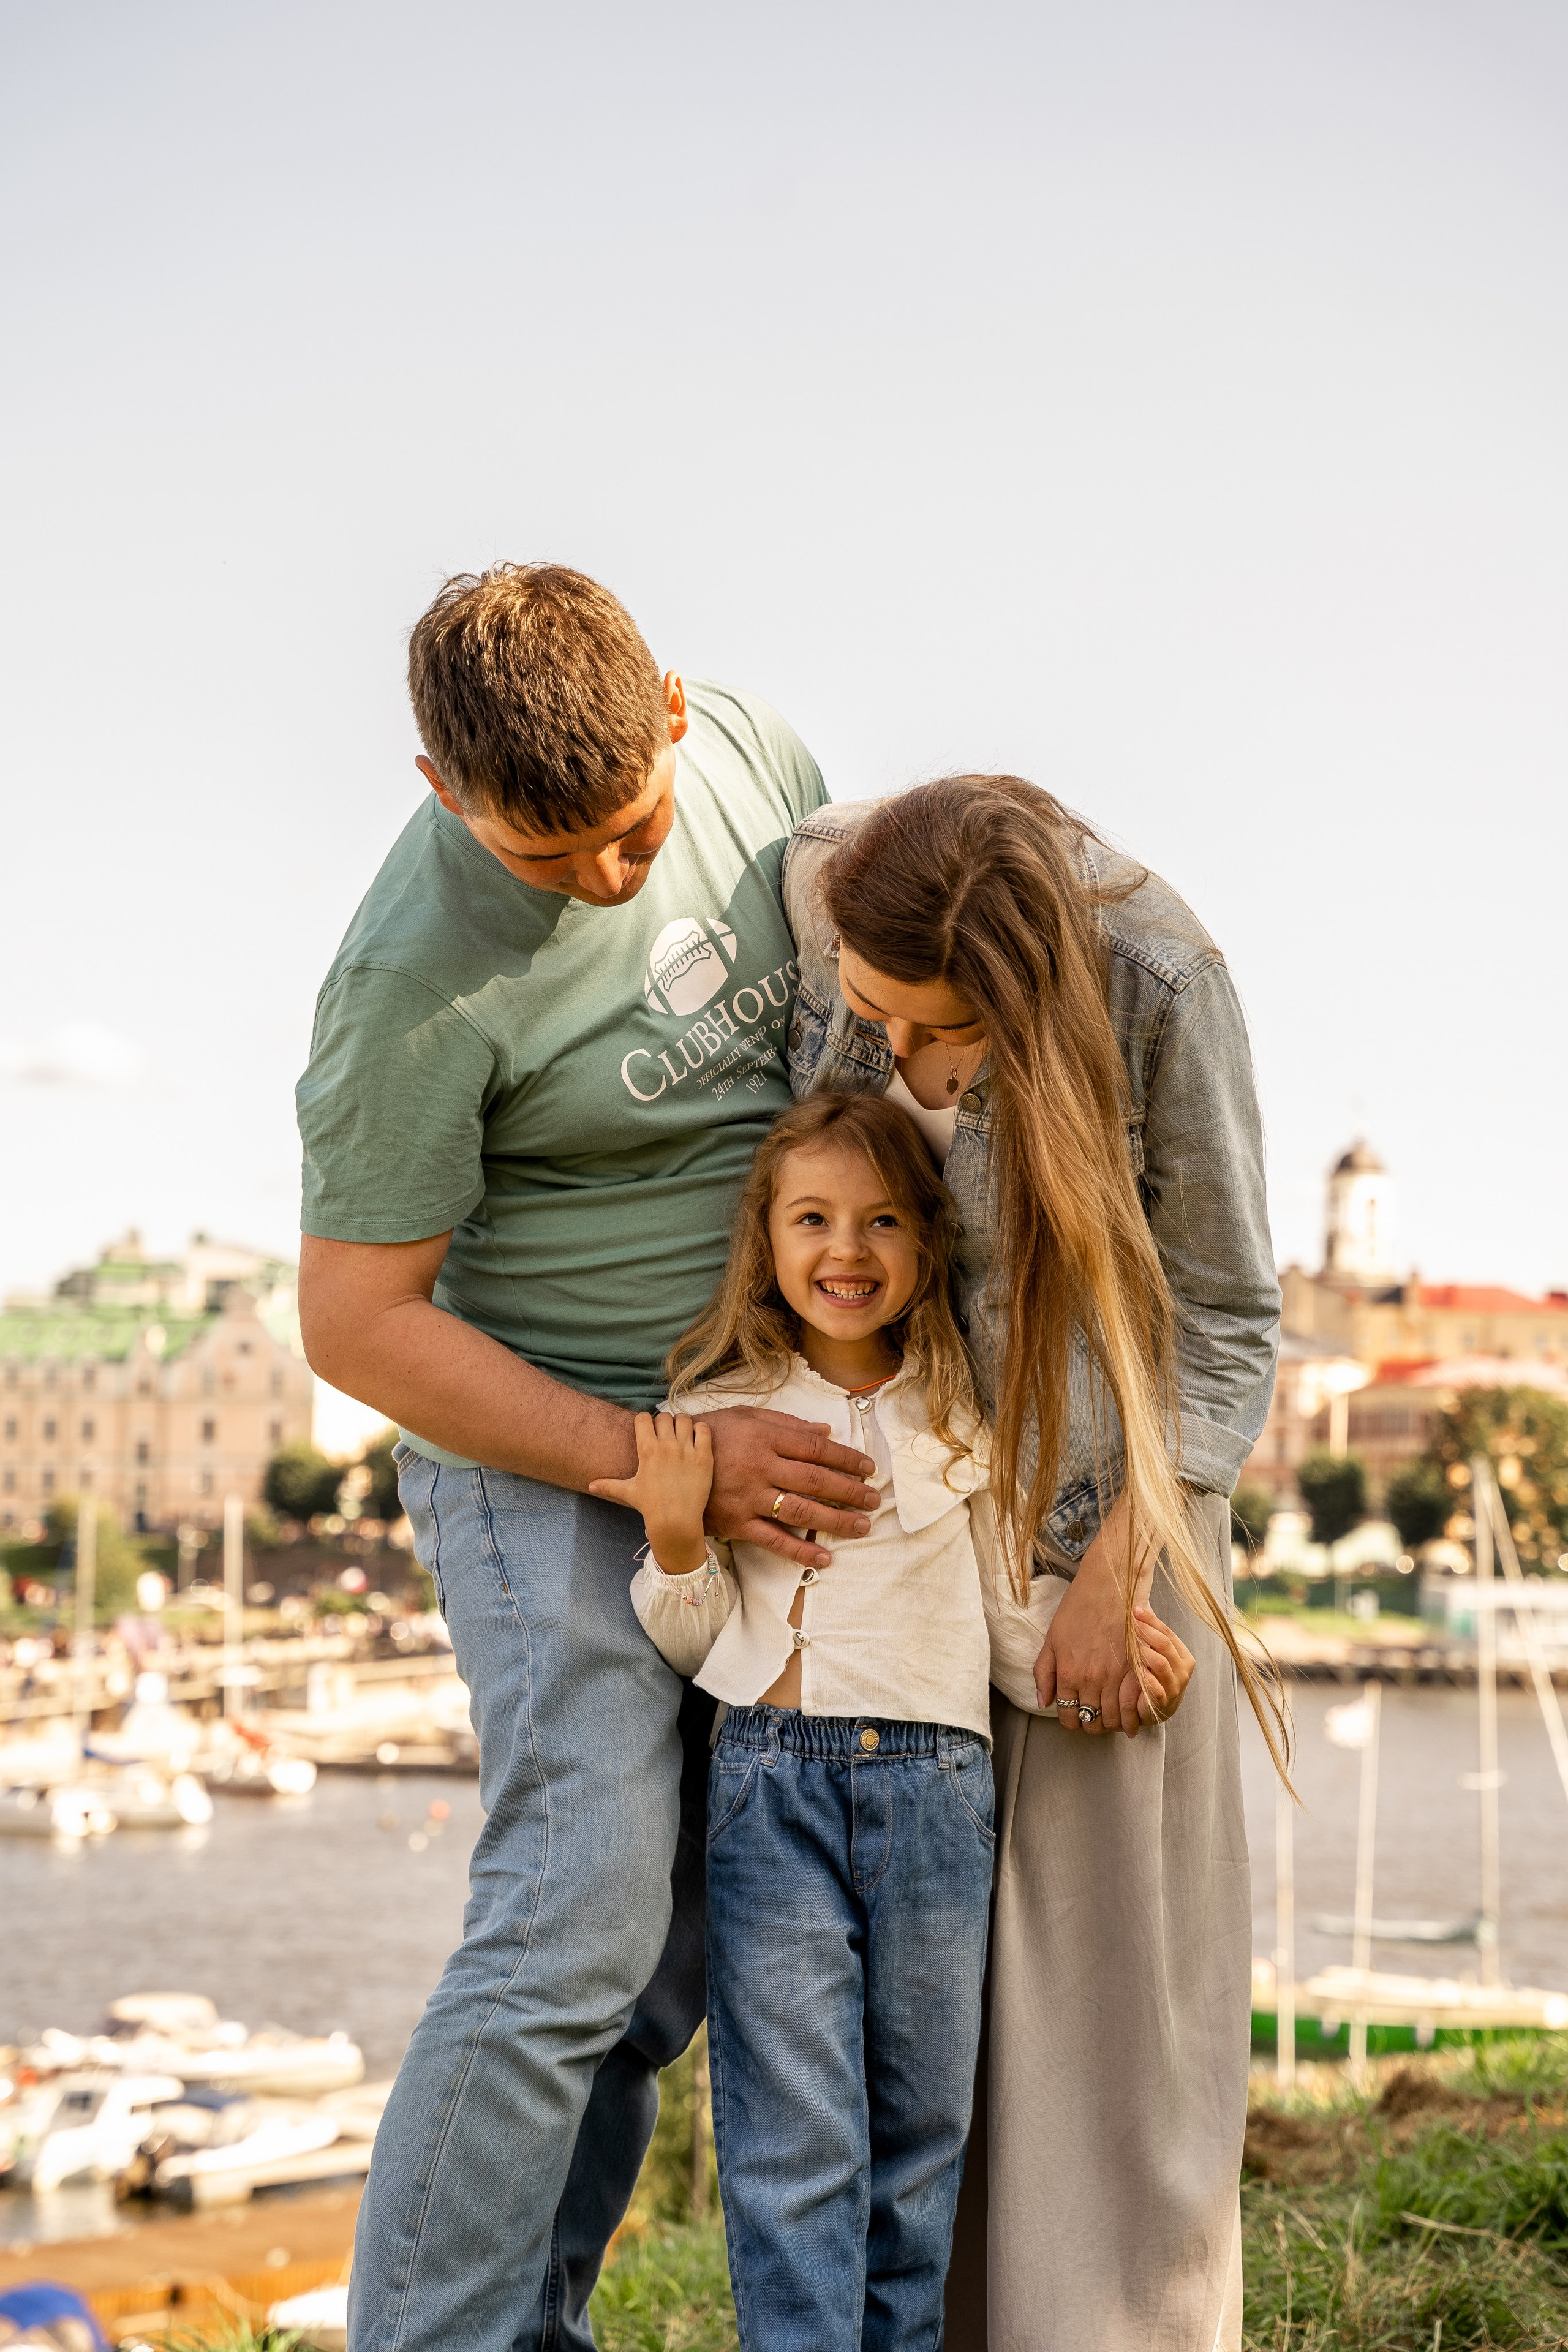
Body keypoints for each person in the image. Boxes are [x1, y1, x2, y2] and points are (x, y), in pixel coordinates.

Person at [295, 563, 884, 2352]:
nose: (612, 882)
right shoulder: (403, 986)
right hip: (537, 1444)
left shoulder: (764, 756)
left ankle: (522, 2323)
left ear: (682, 719)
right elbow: (359, 1328)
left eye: (629, 834)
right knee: (579, 1907)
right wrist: (650, 1456)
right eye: (552, 863)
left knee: (668, 1959)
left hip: (764, 1417)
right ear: (439, 789)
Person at [782, 777, 1286, 2352]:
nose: (905, 1064)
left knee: (1114, 2029)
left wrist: (1109, 1576)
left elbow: (1224, 1324)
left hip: (1101, 1537)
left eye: (947, 1041)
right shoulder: (827, 898)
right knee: (939, 2036)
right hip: (916, 1542)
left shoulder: (1160, 981)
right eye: (879, 1021)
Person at [593, 1093, 1194, 2352]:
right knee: (791, 2138)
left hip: (935, 1795)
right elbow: (692, 1640)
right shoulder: (723, 1406)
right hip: (771, 1790)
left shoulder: (963, 1413)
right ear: (764, 1240)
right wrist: (671, 1533)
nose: (844, 1250)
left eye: (879, 1221)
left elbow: (1000, 1617)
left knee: (921, 2132)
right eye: (810, 1219)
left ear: (926, 1244)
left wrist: (1107, 1666)